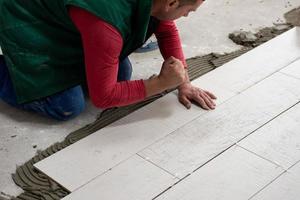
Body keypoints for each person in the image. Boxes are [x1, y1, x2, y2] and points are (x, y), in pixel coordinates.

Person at [0, 0, 216, 121]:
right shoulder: (107, 22)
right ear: (171, 3)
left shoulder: (156, 3)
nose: (187, 15)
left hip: (71, 19)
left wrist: (184, 82)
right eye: (189, 10)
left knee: (122, 74)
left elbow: (166, 29)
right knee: (67, 105)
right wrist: (160, 84)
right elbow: (103, 98)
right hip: (30, 17)